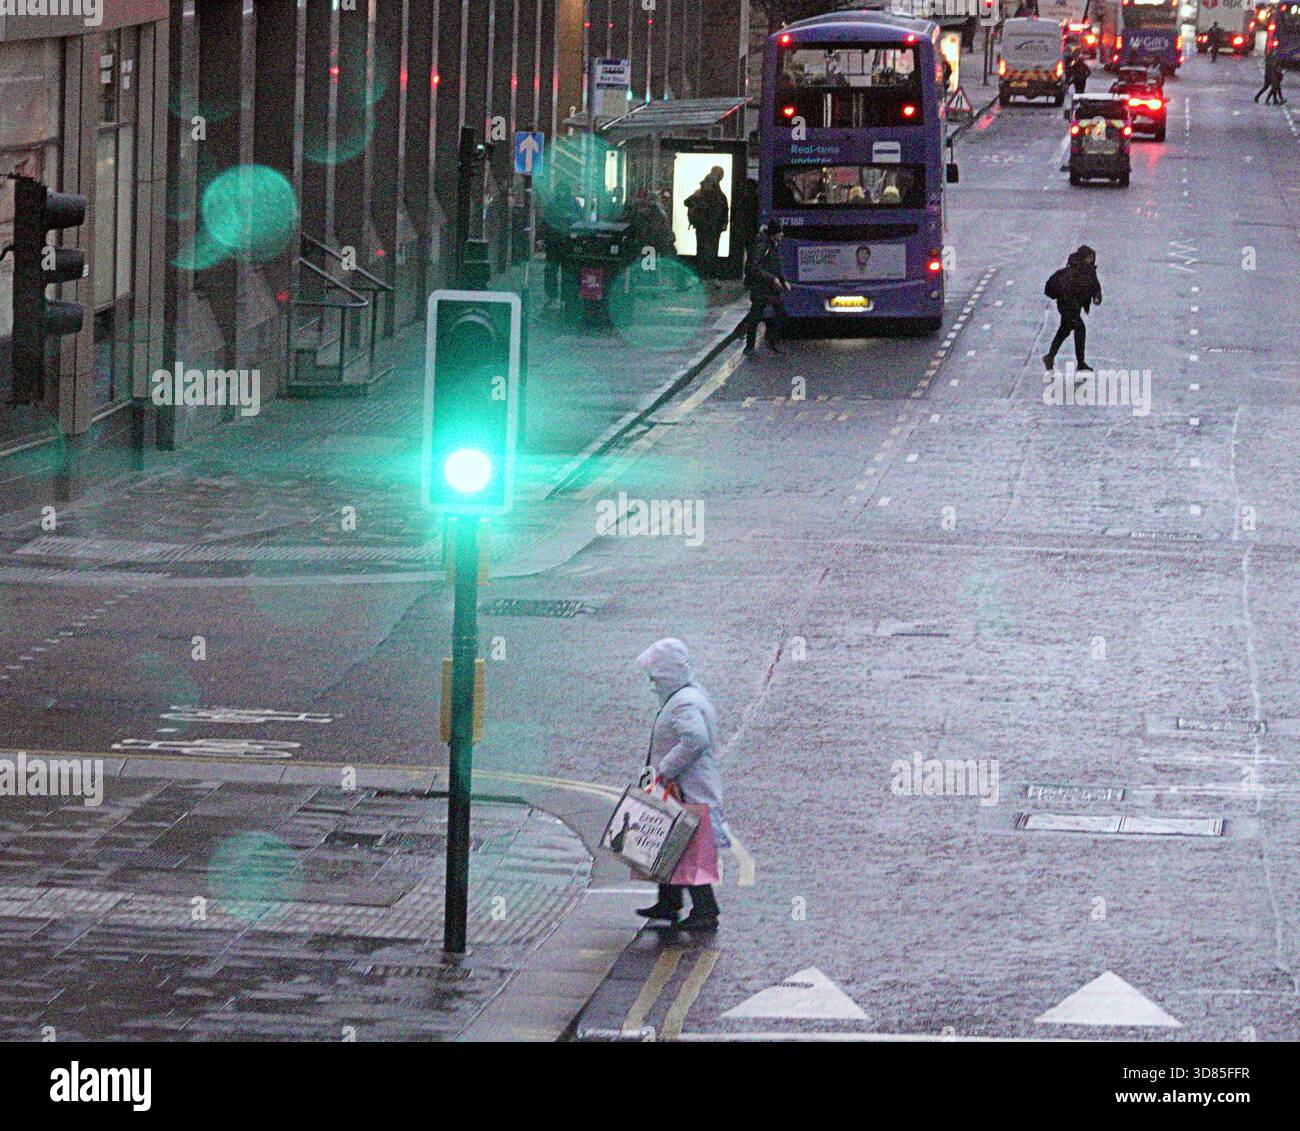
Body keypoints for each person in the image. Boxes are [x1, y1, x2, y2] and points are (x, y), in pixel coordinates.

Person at [634, 638, 729, 931]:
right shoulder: (687, 695)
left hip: (687, 788)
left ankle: (705, 911)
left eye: (655, 674)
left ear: (667, 674)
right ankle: (669, 902)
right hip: (681, 787)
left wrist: (663, 770)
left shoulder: (684, 702)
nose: (651, 680)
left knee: (687, 847)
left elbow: (695, 740)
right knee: (668, 842)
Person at [1042, 245, 1103, 373]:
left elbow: (1095, 286)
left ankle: (1050, 357)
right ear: (1083, 257)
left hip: (1075, 307)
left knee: (1064, 330)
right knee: (1080, 329)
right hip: (1067, 306)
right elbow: (1067, 288)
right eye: (1089, 257)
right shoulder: (1074, 270)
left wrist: (1097, 297)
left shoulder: (1090, 270)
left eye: (1092, 257)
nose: (1091, 260)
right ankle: (1080, 363)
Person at [741, 220, 790, 355]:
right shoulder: (763, 245)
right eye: (780, 232)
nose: (782, 235)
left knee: (780, 314)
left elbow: (775, 265)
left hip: (769, 288)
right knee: (755, 317)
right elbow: (755, 267)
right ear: (774, 233)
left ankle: (770, 341)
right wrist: (772, 278)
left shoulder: (772, 244)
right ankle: (750, 347)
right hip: (761, 287)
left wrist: (782, 280)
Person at [684, 165, 730, 287]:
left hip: (703, 225)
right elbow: (723, 208)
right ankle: (711, 277)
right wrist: (724, 223)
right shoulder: (716, 192)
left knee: (703, 251)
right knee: (712, 252)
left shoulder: (704, 189)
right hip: (712, 226)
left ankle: (703, 276)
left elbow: (687, 202)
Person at [540, 181, 580, 311]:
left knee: (566, 272)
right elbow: (545, 221)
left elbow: (580, 220)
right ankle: (553, 296)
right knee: (551, 271)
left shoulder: (573, 203)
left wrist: (570, 218)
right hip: (555, 242)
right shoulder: (553, 204)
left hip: (566, 242)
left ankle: (563, 298)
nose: (560, 193)